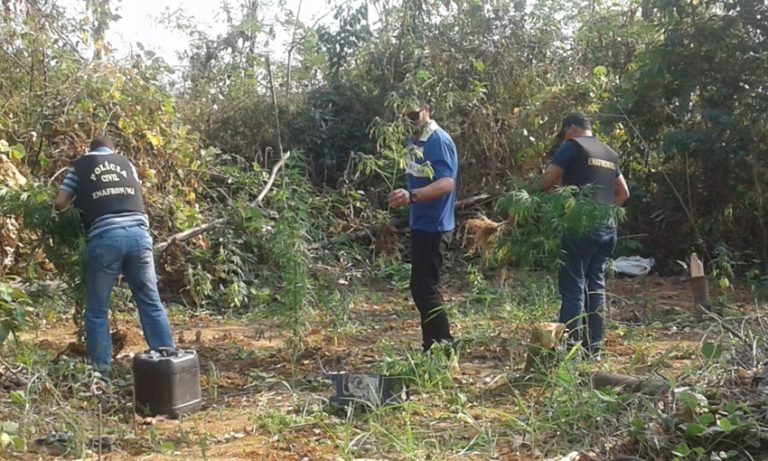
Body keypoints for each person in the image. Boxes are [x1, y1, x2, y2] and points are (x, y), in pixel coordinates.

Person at [54, 135, 175, 372]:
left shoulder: (79, 167)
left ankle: (102, 371)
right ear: (113, 149)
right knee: (150, 302)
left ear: (90, 150)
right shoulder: (126, 163)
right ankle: (167, 361)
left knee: (97, 309)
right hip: (140, 236)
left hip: (105, 239)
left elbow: (60, 203)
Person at [541, 113, 630, 359]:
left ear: (571, 129)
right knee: (595, 285)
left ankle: (570, 351)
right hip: (607, 227)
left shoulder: (572, 148)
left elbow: (546, 183)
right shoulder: (609, 152)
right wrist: (602, 211)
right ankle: (595, 350)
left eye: (564, 133)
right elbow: (623, 194)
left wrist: (558, 202)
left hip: (578, 225)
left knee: (573, 287)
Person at [388, 101, 459, 354]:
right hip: (421, 224)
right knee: (422, 288)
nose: (409, 120)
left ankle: (441, 347)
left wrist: (412, 196)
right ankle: (434, 346)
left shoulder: (438, 141)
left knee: (425, 288)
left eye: (413, 114)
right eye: (403, 116)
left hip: (436, 226)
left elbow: (446, 183)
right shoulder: (413, 141)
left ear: (426, 110)